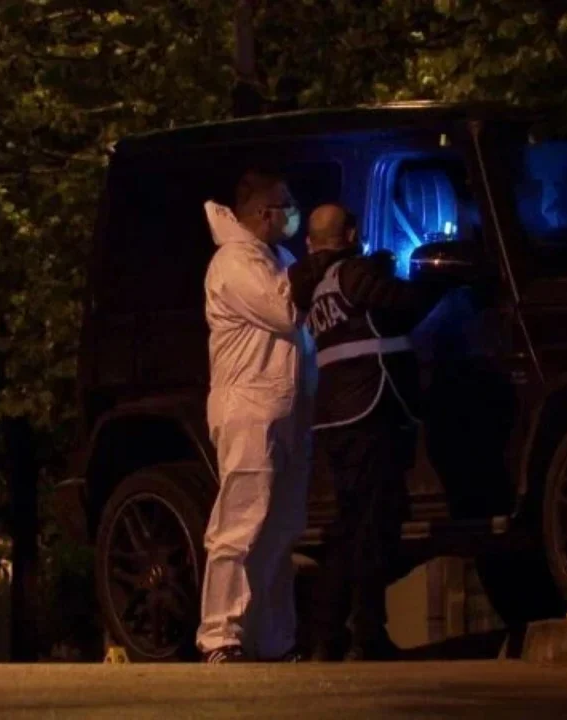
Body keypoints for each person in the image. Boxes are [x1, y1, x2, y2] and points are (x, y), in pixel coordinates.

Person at [288, 204, 445, 661]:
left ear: (311, 242)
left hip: (337, 417)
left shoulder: (314, 286)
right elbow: (405, 304)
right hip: (369, 410)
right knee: (373, 526)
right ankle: (367, 634)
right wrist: (444, 281)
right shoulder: (353, 273)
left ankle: (329, 635)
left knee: (349, 525)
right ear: (352, 234)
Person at [198, 170, 312, 663]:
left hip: (286, 409)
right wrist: (319, 266)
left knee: (280, 529)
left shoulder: (276, 258)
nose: (292, 213)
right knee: (240, 525)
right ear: (263, 213)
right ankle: (220, 634)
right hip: (248, 407)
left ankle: (272, 639)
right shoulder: (233, 262)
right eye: (286, 205)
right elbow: (285, 311)